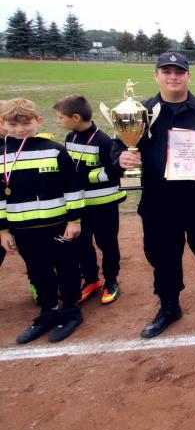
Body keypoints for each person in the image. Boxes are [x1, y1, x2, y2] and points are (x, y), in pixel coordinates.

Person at [113, 52, 195, 338]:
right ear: (156, 75)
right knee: (162, 255)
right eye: (166, 71)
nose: (173, 77)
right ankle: (169, 305)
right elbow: (118, 147)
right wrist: (121, 159)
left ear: (189, 76)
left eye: (179, 71)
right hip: (158, 199)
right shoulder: (138, 112)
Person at [1, 98, 85, 344]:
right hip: (23, 228)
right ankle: (48, 310)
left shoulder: (54, 150)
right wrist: (3, 230)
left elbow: (72, 187)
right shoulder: (1, 155)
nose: (20, 129)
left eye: (25, 123)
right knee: (38, 270)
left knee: (67, 268)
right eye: (13, 124)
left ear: (38, 122)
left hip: (57, 225)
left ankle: (70, 310)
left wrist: (74, 220)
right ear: (3, 124)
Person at [53, 95, 126, 305]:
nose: (58, 121)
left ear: (76, 117)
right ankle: (91, 279)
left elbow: (115, 171)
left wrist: (84, 176)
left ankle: (111, 281)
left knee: (107, 243)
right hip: (81, 205)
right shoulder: (70, 137)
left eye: (61, 117)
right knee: (82, 245)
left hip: (104, 205)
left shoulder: (103, 141)